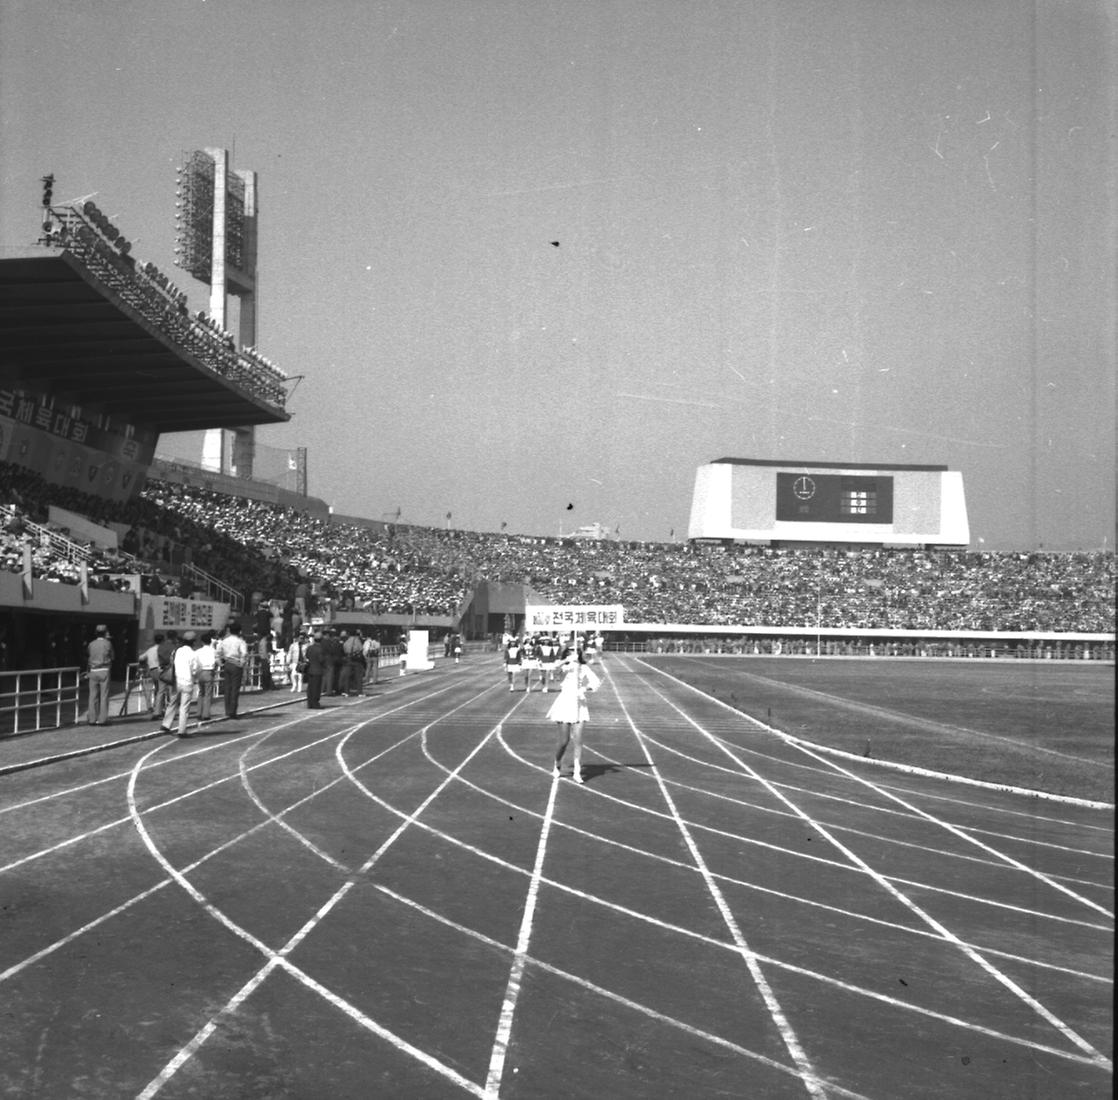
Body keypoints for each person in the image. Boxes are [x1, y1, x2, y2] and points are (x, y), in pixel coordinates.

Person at [547, 647, 601, 784]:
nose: (574, 653)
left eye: (576, 651)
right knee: (564, 741)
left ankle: (577, 771)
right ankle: (557, 763)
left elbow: (596, 682)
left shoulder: (583, 668)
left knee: (578, 740)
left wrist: (584, 688)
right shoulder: (565, 666)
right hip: (565, 702)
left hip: (579, 704)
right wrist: (566, 660)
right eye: (571, 651)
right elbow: (554, 671)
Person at [161, 631, 199, 738]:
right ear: (194, 642)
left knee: (172, 703)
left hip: (176, 680)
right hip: (187, 682)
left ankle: (166, 724)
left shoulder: (177, 650)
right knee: (184, 707)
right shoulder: (193, 654)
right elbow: (195, 670)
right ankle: (181, 730)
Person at [216, 622, 247, 718]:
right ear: (239, 631)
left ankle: (227, 710)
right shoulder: (240, 641)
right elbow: (244, 653)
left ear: (229, 630)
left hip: (227, 663)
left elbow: (218, 652)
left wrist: (220, 662)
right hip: (236, 664)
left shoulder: (224, 641)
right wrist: (242, 663)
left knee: (227, 688)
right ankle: (232, 711)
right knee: (235, 688)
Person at [85, 624, 114, 726]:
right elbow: (112, 656)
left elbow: (88, 655)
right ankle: (102, 719)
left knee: (92, 696)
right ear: (105, 632)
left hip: (93, 671)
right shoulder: (108, 643)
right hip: (104, 670)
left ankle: (92, 719)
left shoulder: (91, 644)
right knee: (104, 695)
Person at [194, 630, 218, 721]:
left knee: (201, 692)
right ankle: (206, 714)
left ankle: (198, 712)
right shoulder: (213, 651)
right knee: (208, 694)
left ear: (202, 641)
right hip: (209, 671)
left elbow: (195, 663)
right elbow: (216, 661)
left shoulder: (198, 651)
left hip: (200, 672)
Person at [141, 632, 164, 715]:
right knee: (161, 691)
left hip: (151, 670)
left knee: (152, 690)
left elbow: (141, 657)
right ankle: (159, 709)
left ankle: (152, 707)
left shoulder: (150, 649)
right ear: (163, 640)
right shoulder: (162, 649)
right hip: (160, 670)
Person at [304, 631, 326, 708]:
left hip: (310, 669)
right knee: (316, 688)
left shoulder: (310, 648)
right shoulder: (320, 649)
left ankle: (310, 703)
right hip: (318, 670)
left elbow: (307, 656)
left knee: (310, 688)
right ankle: (315, 703)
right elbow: (321, 660)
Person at [342, 630, 366, 695]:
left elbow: (344, 649)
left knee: (347, 676)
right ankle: (359, 692)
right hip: (357, 660)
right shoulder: (357, 640)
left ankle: (346, 691)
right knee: (358, 676)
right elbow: (361, 649)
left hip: (348, 659)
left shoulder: (346, 641)